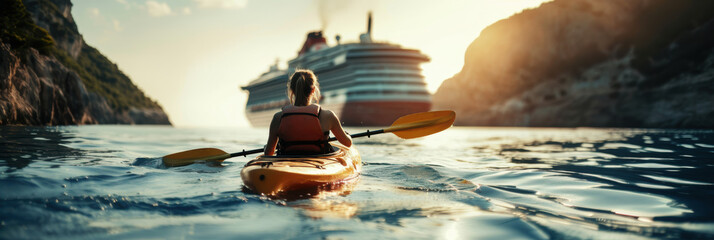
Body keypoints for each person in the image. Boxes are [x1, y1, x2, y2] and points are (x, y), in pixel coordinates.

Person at [264, 69, 352, 156]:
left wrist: (266, 148)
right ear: (313, 90)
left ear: (292, 90)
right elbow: (348, 143)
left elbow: (268, 153)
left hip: (287, 163)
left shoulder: (278, 118)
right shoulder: (328, 116)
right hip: (318, 164)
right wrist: (347, 135)